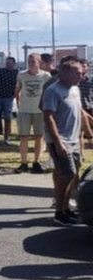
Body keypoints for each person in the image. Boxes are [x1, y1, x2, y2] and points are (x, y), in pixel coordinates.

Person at [42, 58, 85, 225]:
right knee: (67, 174)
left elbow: (79, 111)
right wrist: (58, 142)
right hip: (60, 140)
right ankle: (59, 213)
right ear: (65, 73)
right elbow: (48, 116)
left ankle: (65, 209)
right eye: (78, 73)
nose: (81, 76)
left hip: (74, 139)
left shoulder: (75, 88)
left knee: (69, 175)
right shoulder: (53, 90)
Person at [15, 53, 51, 173]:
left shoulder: (46, 76)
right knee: (24, 137)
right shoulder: (22, 75)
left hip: (40, 111)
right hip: (25, 110)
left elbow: (50, 92)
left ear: (39, 62)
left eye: (33, 61)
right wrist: (19, 105)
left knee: (39, 137)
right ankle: (24, 162)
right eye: (29, 61)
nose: (31, 64)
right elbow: (17, 90)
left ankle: (36, 162)